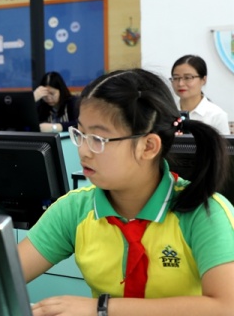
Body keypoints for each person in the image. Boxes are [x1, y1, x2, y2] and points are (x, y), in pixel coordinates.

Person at [18, 68, 234, 315]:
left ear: (148, 146)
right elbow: (0, 275)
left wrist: (101, 309)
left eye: (98, 139)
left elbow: (226, 307)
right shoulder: (74, 210)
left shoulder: (204, 212)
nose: (83, 151)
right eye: (80, 133)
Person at [170, 55, 229, 134]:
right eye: (176, 78)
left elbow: (222, 142)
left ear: (203, 79)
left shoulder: (216, 116)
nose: (180, 83)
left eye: (187, 78)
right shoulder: (167, 113)